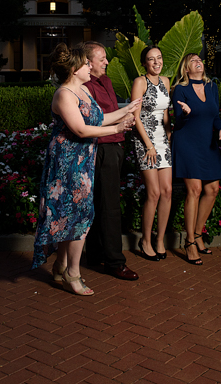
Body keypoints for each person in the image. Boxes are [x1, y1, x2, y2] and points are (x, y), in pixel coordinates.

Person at [32, 43, 140, 295]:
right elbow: (80, 129)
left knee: (77, 215)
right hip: (67, 164)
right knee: (75, 217)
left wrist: (128, 109)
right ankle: (73, 273)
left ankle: (61, 266)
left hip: (83, 162)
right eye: (85, 64)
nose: (89, 67)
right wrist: (116, 129)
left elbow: (99, 118)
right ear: (73, 68)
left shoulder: (82, 90)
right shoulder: (64, 95)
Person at [82, 41, 140, 281]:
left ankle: (97, 255)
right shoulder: (84, 86)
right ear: (88, 62)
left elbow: (112, 110)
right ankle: (115, 262)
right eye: (102, 58)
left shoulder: (105, 81)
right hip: (101, 148)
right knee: (108, 206)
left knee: (102, 202)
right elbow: (94, 119)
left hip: (114, 146)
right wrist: (123, 117)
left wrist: (126, 116)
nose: (107, 62)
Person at [171, 54, 221, 265]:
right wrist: (185, 112)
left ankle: (197, 234)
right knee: (194, 190)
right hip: (187, 143)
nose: (199, 62)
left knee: (212, 189)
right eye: (193, 60)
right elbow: (178, 118)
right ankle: (189, 242)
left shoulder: (211, 87)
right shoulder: (181, 89)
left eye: (200, 59)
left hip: (208, 144)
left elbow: (215, 115)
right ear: (187, 68)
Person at [130, 45, 173, 261]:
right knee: (154, 192)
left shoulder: (165, 81)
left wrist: (168, 134)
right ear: (144, 63)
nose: (156, 62)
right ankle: (145, 240)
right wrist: (149, 145)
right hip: (145, 141)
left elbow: (165, 113)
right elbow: (135, 117)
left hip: (163, 140)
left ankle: (160, 240)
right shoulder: (140, 82)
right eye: (151, 59)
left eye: (159, 58)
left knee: (167, 191)